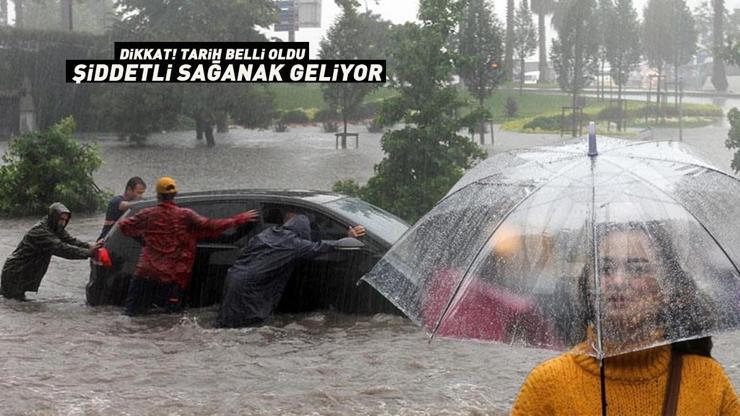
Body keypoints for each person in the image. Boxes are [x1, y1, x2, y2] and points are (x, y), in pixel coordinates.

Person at [511, 223, 740, 415]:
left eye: (638, 269)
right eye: (606, 268)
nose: (618, 281)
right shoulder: (548, 385)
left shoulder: (707, 381)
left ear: (667, 288)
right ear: (588, 284)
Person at [116, 177, 259, 316]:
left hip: (145, 274)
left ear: (158, 195)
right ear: (175, 195)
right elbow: (212, 225)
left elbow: (123, 226)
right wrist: (238, 219)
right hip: (170, 278)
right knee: (170, 320)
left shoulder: (147, 214)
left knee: (131, 316)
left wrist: (146, 240)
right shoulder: (185, 215)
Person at [217, 211, 366, 328]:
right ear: (302, 230)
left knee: (229, 320)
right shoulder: (293, 244)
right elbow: (320, 247)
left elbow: (245, 251)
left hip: (234, 277)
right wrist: (347, 238)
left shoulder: (268, 233)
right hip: (252, 287)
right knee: (248, 325)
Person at [1, 203, 101, 301]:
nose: (63, 222)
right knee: (15, 305)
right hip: (16, 272)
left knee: (16, 305)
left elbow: (70, 240)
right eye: (61, 219)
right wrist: (88, 253)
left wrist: (89, 246)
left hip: (24, 271)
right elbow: (61, 249)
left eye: (65, 220)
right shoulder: (41, 232)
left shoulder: (54, 226)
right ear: (54, 217)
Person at [98, 176, 147, 240]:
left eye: (142, 193)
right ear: (129, 189)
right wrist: (145, 203)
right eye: (138, 193)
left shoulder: (134, 203)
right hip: (106, 241)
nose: (141, 196)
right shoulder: (116, 201)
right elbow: (124, 205)